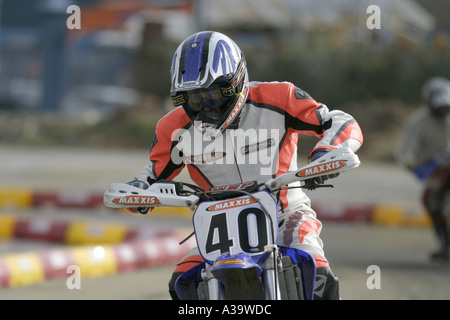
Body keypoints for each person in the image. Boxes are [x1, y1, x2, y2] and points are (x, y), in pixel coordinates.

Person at [127, 31, 363, 299]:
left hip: (286, 215)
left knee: (314, 270)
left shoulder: (280, 97)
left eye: (213, 95)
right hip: (218, 229)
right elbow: (153, 174)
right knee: (183, 281)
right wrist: (138, 191)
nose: (205, 107)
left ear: (237, 80)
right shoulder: (172, 127)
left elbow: (339, 120)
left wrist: (327, 152)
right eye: (194, 98)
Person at [397, 77, 450, 262]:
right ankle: (445, 243)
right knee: (431, 199)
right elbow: (404, 152)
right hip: (435, 170)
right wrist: (417, 168)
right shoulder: (419, 121)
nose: (443, 111)